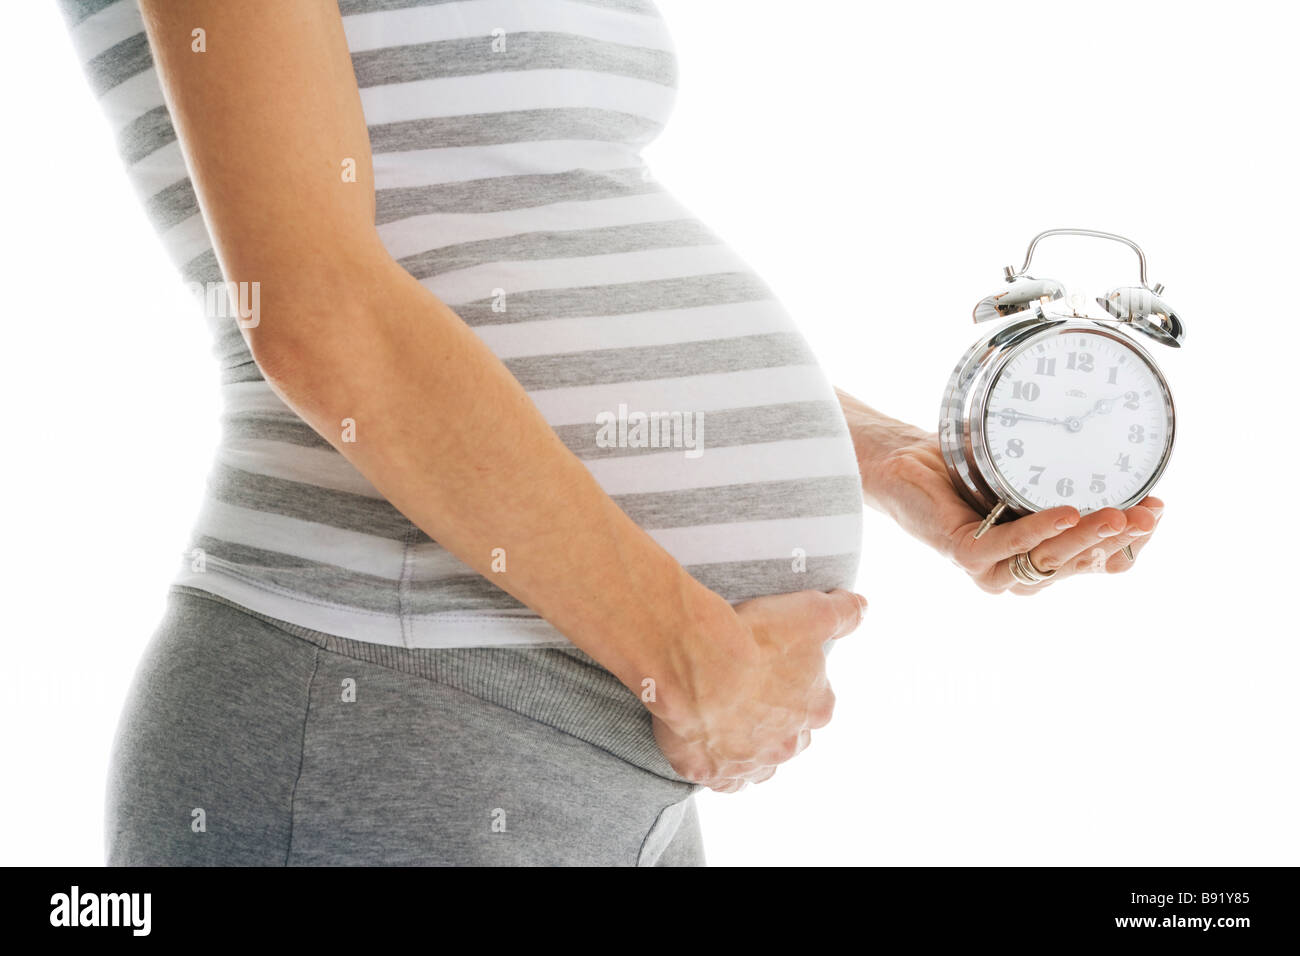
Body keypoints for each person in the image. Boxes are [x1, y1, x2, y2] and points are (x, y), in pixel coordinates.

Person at [58, 0, 1162, 865]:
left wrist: (885, 455)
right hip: (392, 702)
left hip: (590, 734)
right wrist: (681, 654)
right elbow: (321, 316)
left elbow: (497, 241)